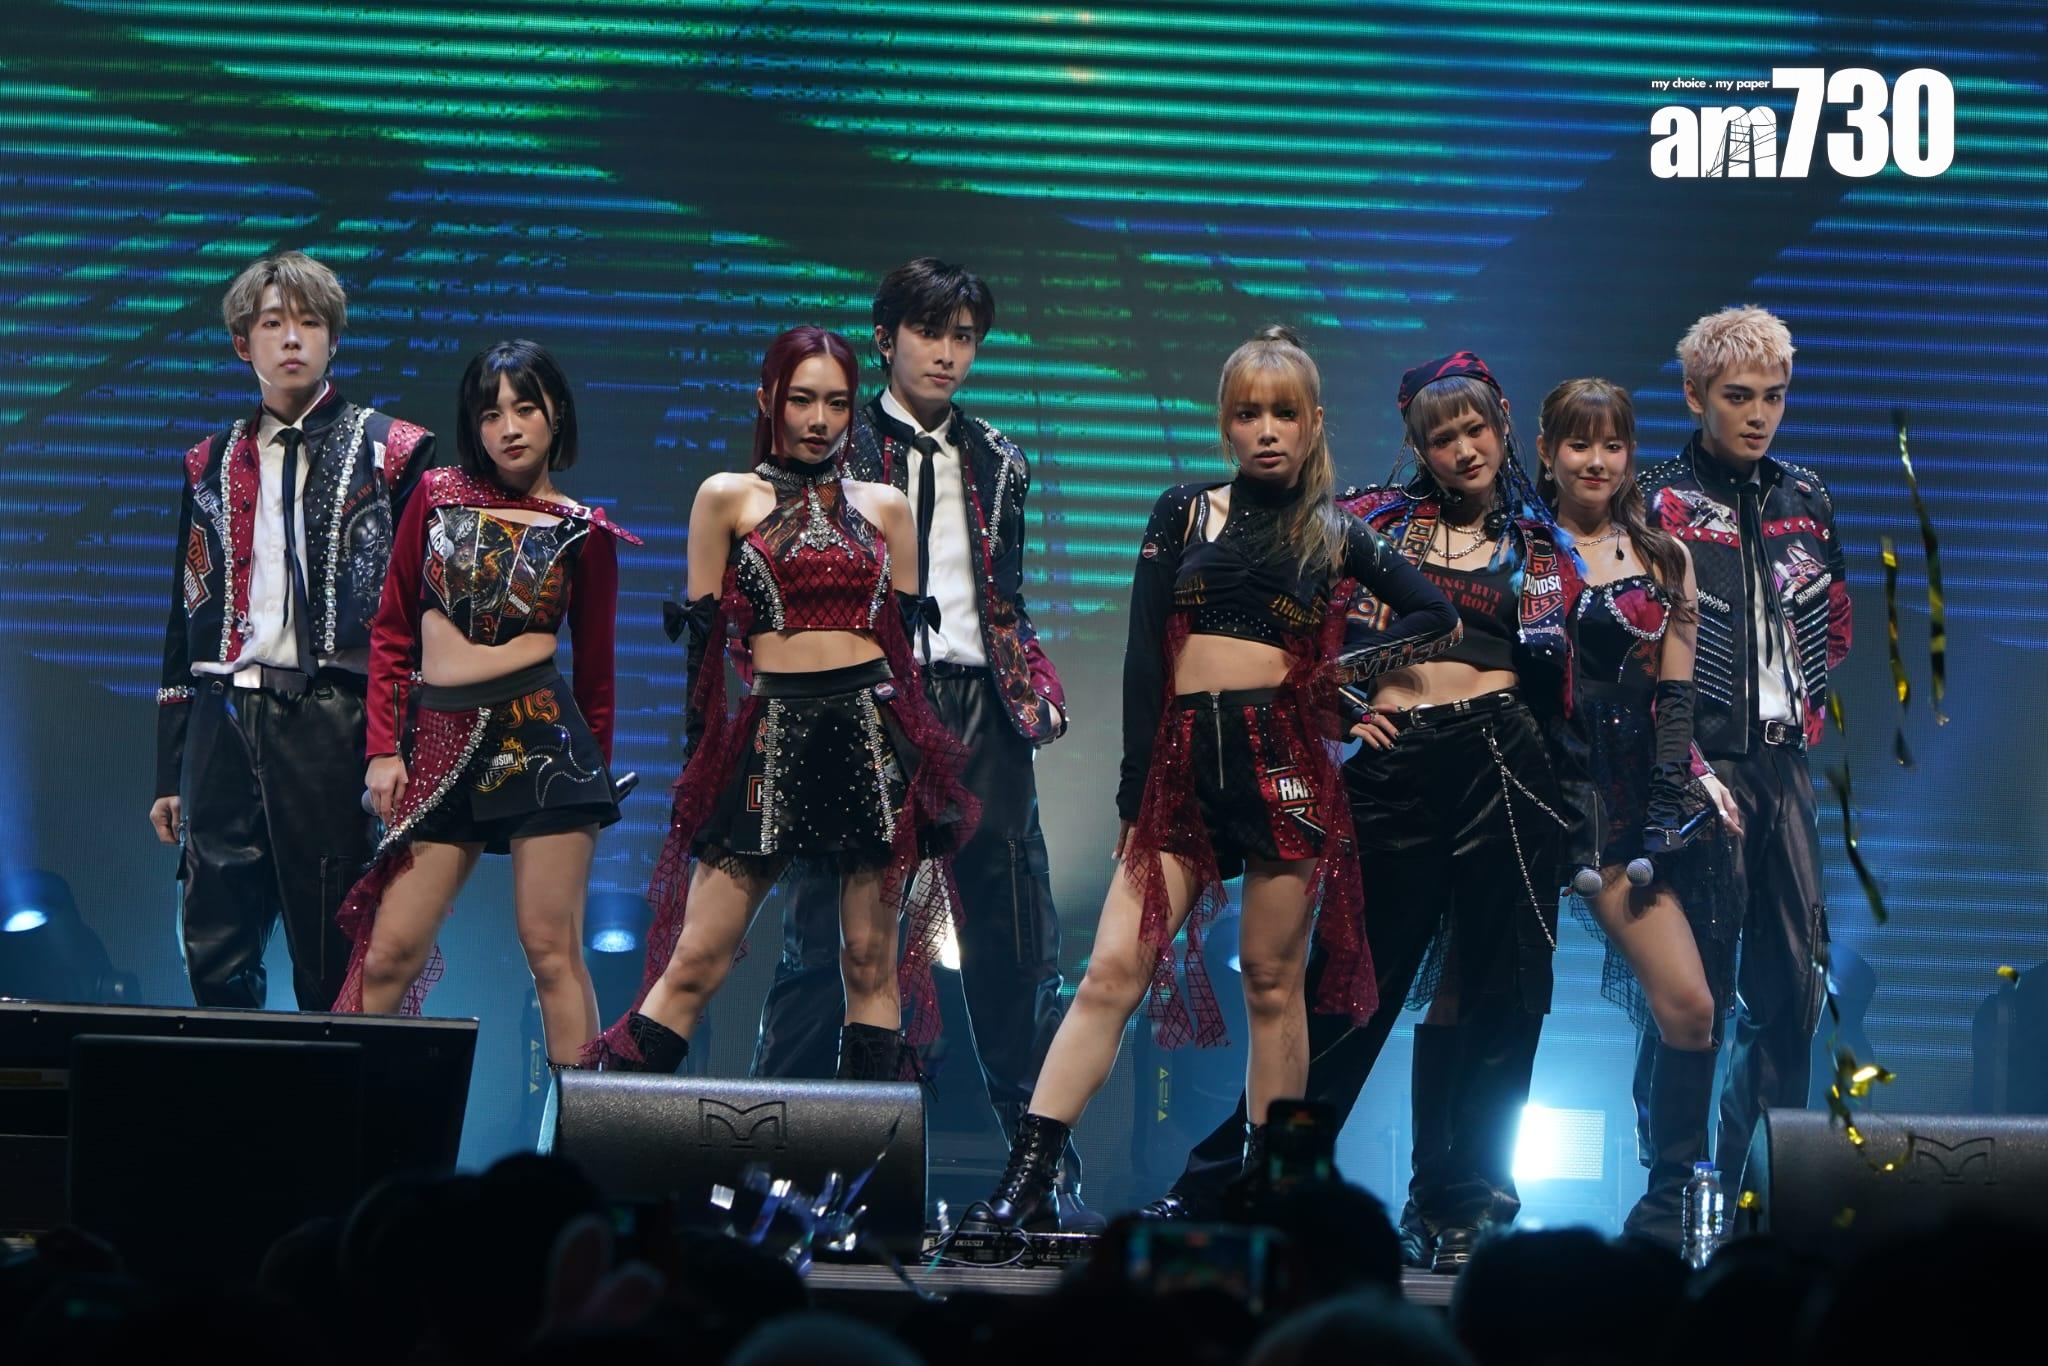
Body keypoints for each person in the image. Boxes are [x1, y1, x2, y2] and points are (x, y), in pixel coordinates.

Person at [962, 327, 1457, 1233]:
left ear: (1312, 422)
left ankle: (1278, 1195)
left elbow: (1435, 616)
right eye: (1248, 413)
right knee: (1110, 973)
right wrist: (1132, 791)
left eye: (1284, 414)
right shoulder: (1183, 511)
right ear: (1226, 424)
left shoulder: (1335, 532)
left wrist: (1333, 677)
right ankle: (1027, 1179)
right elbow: (1144, 656)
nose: (1266, 430)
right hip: (1182, 765)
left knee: (1273, 983)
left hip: (1283, 768)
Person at [1153, 351, 1600, 1275]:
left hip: (1504, 763)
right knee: (1345, 990)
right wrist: (1345, 705)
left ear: (1503, 427)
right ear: (1417, 447)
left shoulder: (1543, 545)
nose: (1464, 449)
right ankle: (1248, 1181)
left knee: (1502, 992)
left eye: (1476, 429)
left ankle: (1460, 1203)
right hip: (1394, 769)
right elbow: (1291, 632)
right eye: (1443, 437)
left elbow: (1568, 684)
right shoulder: (1366, 521)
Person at [745, 260, 1087, 1214]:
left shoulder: (1003, 458)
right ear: (886, 336)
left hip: (982, 709)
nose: (947, 353)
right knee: (827, 941)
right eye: (930, 332)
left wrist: (1034, 684)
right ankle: (778, 1167)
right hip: (865, 704)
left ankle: (1038, 1183)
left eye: (965, 336)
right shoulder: (837, 444)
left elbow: (1002, 597)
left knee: (1013, 943)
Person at [589, 326, 974, 1077]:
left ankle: (861, 1151)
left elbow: (905, 660)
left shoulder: (887, 507)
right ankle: (609, 1130)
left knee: (869, 963)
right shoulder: (726, 497)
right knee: (697, 957)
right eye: (801, 400)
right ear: (768, 400)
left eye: (837, 403)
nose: (819, 420)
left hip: (869, 738)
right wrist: (700, 770)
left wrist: (920, 771)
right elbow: (703, 661)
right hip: (771, 738)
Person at [329, 340, 637, 1073]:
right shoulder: (436, 496)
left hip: (546, 749)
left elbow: (596, 675)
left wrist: (594, 783)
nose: (509, 427)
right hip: (441, 744)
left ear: (557, 413)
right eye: (490, 413)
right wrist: (383, 748)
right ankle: (351, 1123)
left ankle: (582, 1134)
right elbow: (392, 631)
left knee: (551, 949)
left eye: (525, 408)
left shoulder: (584, 531)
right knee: (389, 952)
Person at [150, 250, 431, 1010]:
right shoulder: (208, 463)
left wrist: (397, 744)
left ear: (334, 338)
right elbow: (184, 610)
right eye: (273, 323)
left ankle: (334, 1086)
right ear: (243, 343)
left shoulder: (392, 451)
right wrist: (168, 771)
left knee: (331, 941)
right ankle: (232, 1086)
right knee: (214, 939)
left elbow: (414, 617)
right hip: (223, 717)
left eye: (309, 322)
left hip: (332, 714)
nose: (292, 339)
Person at [1637, 306, 1850, 1190]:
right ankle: (1674, 1183)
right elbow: (1636, 642)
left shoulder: (1808, 497)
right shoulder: (1656, 498)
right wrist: (1676, 761)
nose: (1759, 415)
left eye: (1774, 396)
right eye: (1738, 396)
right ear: (1695, 396)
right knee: (1695, 988)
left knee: (1794, 988)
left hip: (1783, 763)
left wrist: (1806, 700)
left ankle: (1753, 1184)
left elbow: (1835, 619)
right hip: (1699, 763)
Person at [1535, 376, 1743, 1247]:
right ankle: (1455, 1199)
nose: (1597, 461)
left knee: (1692, 1007)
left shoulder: (1666, 558)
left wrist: (1681, 790)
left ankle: (1668, 1205)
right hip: (1535, 795)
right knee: (1481, 1003)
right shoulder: (1521, 548)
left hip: (1637, 815)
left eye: (1613, 444)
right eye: (1579, 443)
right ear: (1547, 451)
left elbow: (1676, 698)